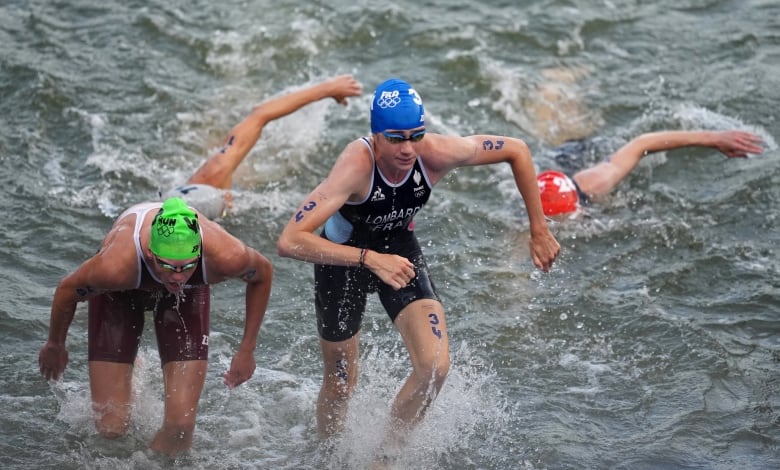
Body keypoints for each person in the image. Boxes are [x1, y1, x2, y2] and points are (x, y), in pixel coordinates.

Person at [37, 74, 363, 455]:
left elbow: (263, 272)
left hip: (198, 230)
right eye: (168, 267)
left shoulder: (222, 250)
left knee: (180, 428)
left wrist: (247, 348)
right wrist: (55, 343)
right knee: (111, 428)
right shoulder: (117, 264)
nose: (177, 277)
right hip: (121, 294)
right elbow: (66, 289)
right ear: (152, 253)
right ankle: (134, 365)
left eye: (186, 266)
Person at [276, 78, 560, 454]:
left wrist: (538, 229)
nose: (408, 149)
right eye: (396, 138)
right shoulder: (354, 167)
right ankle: (325, 455)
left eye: (416, 135)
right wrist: (369, 259)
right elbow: (290, 240)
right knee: (342, 380)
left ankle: (384, 459)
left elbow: (518, 151)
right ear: (375, 135)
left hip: (398, 249)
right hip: (342, 260)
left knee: (435, 368)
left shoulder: (437, 152)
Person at [162, 74, 363, 219]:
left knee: (234, 168)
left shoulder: (213, 174)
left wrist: (327, 89)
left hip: (217, 176)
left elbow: (260, 115)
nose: (228, 204)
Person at [535, 130, 765, 216]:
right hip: (550, 174)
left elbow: (641, 144)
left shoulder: (592, 184)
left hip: (572, 157)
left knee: (569, 130)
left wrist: (712, 138)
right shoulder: (527, 225)